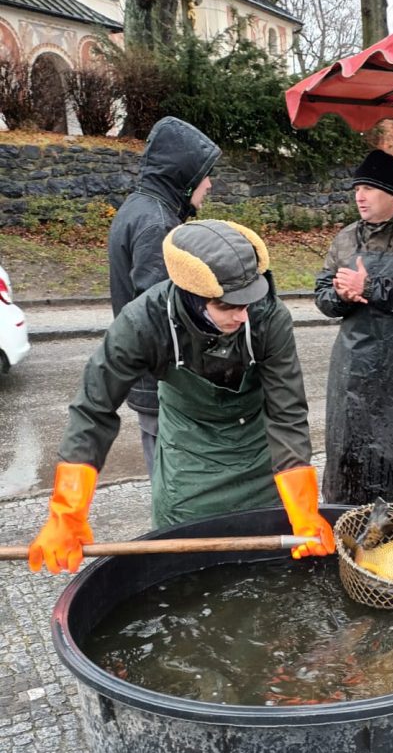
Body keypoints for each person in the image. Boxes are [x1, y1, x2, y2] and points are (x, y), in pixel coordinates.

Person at [29, 220, 334, 574]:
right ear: (194, 296)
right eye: (228, 307)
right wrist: (67, 513)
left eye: (248, 303)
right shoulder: (143, 323)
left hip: (258, 446)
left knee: (269, 558)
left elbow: (286, 413)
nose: (243, 315)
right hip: (189, 449)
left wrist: (304, 511)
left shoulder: (268, 317)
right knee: (188, 570)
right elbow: (94, 409)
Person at [314, 149, 393, 509]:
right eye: (357, 189)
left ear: (392, 194)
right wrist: (342, 295)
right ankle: (344, 526)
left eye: (369, 188)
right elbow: (322, 295)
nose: (360, 196)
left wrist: (369, 287)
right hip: (354, 371)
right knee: (347, 460)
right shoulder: (346, 238)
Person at [108, 116, 222, 476]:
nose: (209, 183)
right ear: (184, 174)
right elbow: (161, 318)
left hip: (150, 382)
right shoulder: (157, 223)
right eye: (204, 174)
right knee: (176, 486)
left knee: (165, 479)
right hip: (164, 386)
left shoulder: (138, 208)